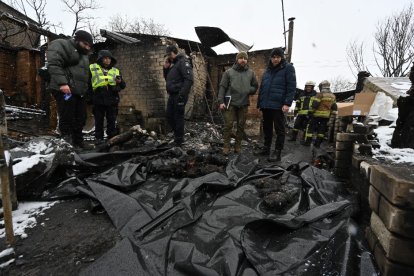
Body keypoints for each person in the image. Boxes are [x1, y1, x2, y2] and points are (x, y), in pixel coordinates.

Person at [47, 30, 93, 149]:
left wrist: (85, 90)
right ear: (77, 40)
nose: (87, 47)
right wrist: (63, 83)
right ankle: (67, 143)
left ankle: (78, 142)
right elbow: (54, 64)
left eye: (89, 45)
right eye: (85, 44)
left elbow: (83, 74)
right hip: (64, 88)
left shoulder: (83, 54)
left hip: (78, 91)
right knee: (67, 116)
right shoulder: (62, 44)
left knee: (81, 117)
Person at [256, 47, 297, 161]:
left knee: (280, 129)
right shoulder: (267, 70)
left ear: (282, 57)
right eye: (273, 57)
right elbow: (263, 87)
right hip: (266, 105)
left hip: (278, 105)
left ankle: (277, 152)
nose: (275, 59)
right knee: (267, 128)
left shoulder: (288, 68)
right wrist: (260, 103)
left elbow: (291, 86)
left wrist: (287, 103)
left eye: (278, 57)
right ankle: (266, 148)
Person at [218, 51, 258, 154]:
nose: (243, 60)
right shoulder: (228, 72)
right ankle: (226, 147)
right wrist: (221, 101)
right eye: (241, 58)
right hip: (230, 102)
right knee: (228, 125)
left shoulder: (251, 73)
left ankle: (237, 146)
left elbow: (255, 86)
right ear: (237, 59)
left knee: (241, 125)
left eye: (245, 58)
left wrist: (248, 89)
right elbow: (222, 87)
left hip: (244, 103)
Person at [89, 50, 126, 145]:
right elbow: (88, 83)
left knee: (111, 120)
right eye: (105, 58)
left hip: (112, 97)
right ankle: (99, 139)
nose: (107, 60)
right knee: (99, 120)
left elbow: (123, 85)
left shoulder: (115, 70)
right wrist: (89, 98)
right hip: (98, 97)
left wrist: (119, 82)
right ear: (100, 59)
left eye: (109, 58)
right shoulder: (92, 68)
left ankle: (112, 138)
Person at [163, 45, 193, 146]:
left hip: (179, 95)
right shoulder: (174, 65)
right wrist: (166, 69)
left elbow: (189, 80)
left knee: (178, 117)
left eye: (169, 54)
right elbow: (168, 80)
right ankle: (177, 136)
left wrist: (182, 95)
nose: (168, 57)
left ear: (173, 52)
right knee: (169, 116)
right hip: (172, 95)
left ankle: (179, 140)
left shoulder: (183, 62)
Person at [304, 80, 337, 148]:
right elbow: (334, 107)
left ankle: (307, 143)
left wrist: (310, 113)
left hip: (316, 115)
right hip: (326, 116)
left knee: (311, 128)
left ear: (322, 86)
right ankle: (318, 144)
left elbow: (315, 105)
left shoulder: (320, 94)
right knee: (322, 130)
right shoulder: (333, 96)